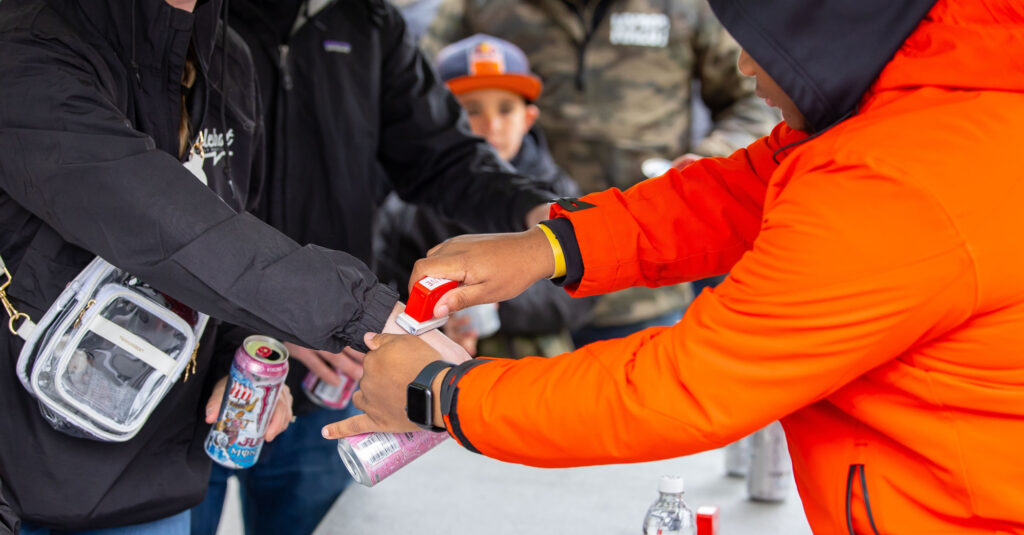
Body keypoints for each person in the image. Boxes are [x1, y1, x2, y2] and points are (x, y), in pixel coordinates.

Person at [325, 0, 1024, 532]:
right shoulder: (912, 110)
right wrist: (551, 245)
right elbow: (735, 193)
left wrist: (442, 392)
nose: (745, 67)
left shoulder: (898, 179)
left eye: (759, 44)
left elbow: (689, 386)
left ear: (820, 29)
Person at [0, 0, 465, 532]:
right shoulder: (27, 40)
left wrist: (237, 355)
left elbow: (220, 243)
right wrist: (373, 317)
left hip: (152, 484)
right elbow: (161, 223)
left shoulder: (228, 60)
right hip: (21, 485)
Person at [188, 3, 553, 535]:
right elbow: (146, 199)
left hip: (329, 378)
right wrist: (264, 315)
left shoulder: (370, 22)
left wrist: (541, 213)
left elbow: (441, 154)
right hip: (190, 368)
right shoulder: (186, 12)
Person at [422, 0, 778, 347]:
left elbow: (757, 93)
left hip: (645, 281)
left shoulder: (687, 6)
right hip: (523, 290)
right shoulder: (477, 7)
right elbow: (418, 98)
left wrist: (707, 163)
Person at [376, 34, 593, 358]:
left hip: (538, 363)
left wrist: (495, 299)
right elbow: (389, 284)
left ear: (528, 118)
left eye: (506, 109)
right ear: (439, 121)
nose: (492, 125)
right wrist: (439, 317)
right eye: (471, 110)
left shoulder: (556, 192)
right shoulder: (408, 205)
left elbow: (582, 294)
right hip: (441, 359)